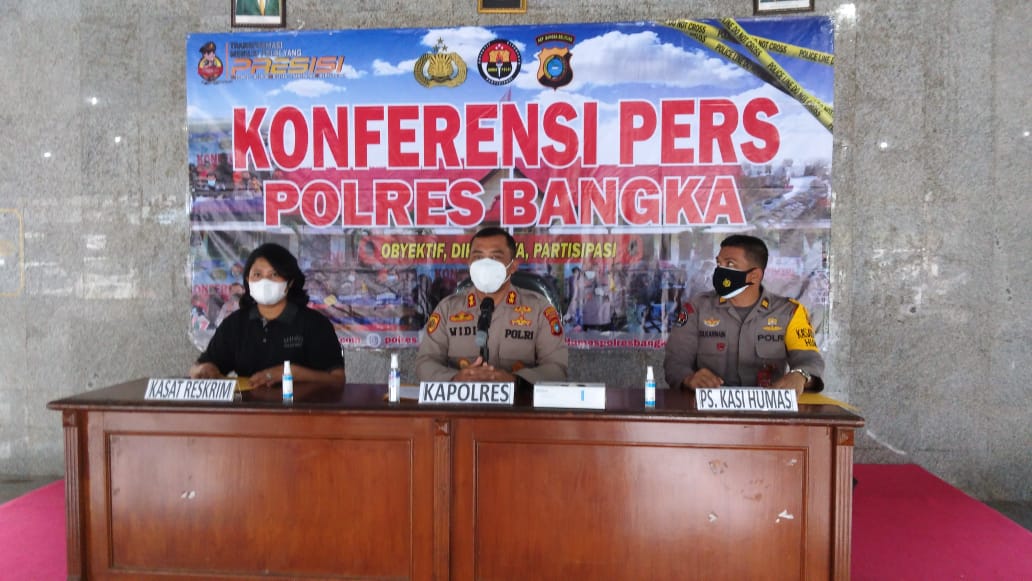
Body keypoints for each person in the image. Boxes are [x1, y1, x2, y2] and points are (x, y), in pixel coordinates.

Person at [664, 235, 824, 395]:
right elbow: (675, 362)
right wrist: (689, 378)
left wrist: (801, 375)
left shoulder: (789, 312)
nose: (720, 270)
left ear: (754, 276)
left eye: (730, 264)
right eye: (719, 263)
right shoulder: (697, 308)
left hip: (767, 407)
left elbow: (809, 359)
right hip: (708, 406)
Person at [415, 227, 568, 384]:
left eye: (495, 257)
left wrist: (516, 381)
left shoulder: (539, 309)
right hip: (461, 398)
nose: (485, 265)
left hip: (519, 399)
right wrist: (455, 378)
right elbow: (425, 363)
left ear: (513, 266)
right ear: (469, 263)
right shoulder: (448, 309)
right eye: (478, 257)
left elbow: (557, 368)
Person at [190, 243, 346, 389]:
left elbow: (337, 380)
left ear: (290, 282)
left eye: (274, 274)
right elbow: (200, 367)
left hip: (302, 408)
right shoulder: (235, 324)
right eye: (257, 274)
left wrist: (293, 373)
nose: (264, 281)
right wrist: (205, 370)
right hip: (248, 407)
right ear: (248, 280)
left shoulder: (314, 324)